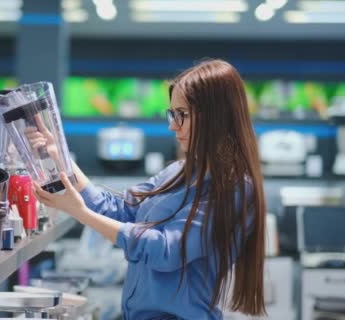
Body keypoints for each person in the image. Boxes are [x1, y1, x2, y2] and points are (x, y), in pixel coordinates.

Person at [30, 59, 266, 320]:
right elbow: (120, 210)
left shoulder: (233, 189)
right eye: (172, 114)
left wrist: (81, 213)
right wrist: (62, 159)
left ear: (215, 116)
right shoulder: (178, 171)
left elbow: (166, 251)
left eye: (182, 115)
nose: (172, 126)